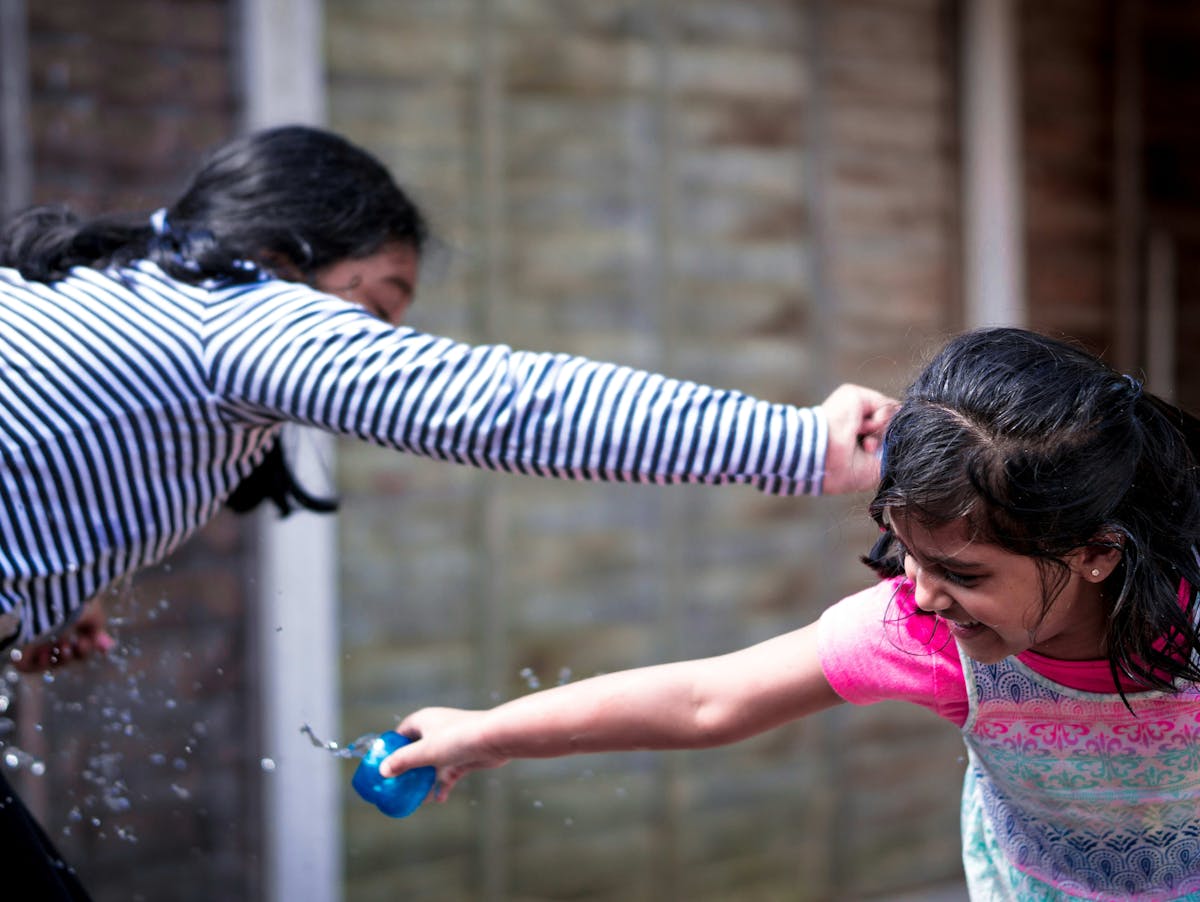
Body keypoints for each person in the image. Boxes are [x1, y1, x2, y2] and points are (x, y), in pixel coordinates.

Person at [0, 124, 891, 899]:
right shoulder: (240, 312)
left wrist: (47, 589)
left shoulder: (127, 297)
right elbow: (503, 405)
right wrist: (800, 445)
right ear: (295, 252)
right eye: (376, 307)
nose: (376, 345)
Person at [381, 327, 1200, 901]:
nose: (920, 591)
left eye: (961, 570)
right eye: (906, 552)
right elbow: (707, 700)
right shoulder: (924, 636)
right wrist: (483, 733)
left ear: (1096, 552)